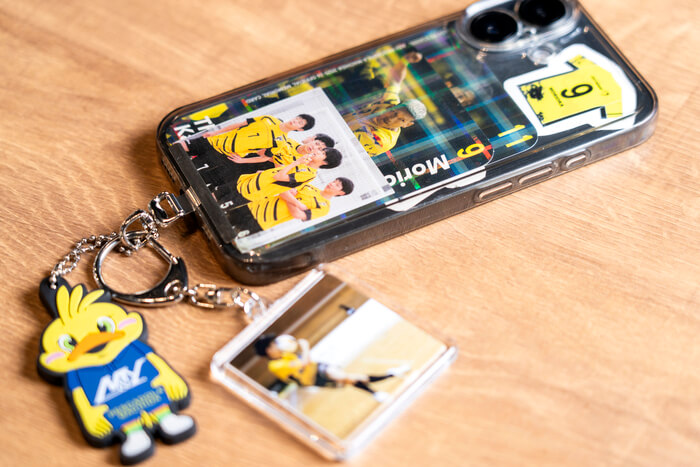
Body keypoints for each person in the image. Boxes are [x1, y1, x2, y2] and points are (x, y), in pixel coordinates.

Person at [254, 333, 410, 402]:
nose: (277, 345)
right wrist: (305, 346)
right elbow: (304, 362)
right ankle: (389, 376)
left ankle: (378, 390)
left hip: (318, 368)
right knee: (351, 380)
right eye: (273, 344)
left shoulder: (284, 354)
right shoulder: (275, 366)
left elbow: (305, 361)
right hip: (312, 379)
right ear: (268, 350)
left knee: (345, 377)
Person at [342, 51, 427, 157]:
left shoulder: (382, 141)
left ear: (407, 125)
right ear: (392, 106)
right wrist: (405, 61)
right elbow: (396, 81)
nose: (391, 119)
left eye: (401, 120)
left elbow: (341, 140)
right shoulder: (389, 102)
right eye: (394, 112)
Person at [235, 177, 354, 234]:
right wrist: (297, 203)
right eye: (334, 181)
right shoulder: (308, 186)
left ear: (341, 193)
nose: (332, 184)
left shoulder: (324, 208)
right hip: (252, 206)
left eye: (337, 185)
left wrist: (290, 199)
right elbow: (283, 191)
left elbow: (297, 214)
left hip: (261, 221)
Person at [180, 114, 316, 159]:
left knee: (188, 163)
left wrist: (242, 160)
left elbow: (264, 156)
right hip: (215, 140)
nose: (295, 121)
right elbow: (240, 124)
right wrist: (216, 132)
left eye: (300, 123)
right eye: (297, 118)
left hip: (224, 154)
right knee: (180, 147)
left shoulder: (281, 142)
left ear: (300, 129)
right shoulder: (269, 118)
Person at [234, 147, 343, 204]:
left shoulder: (309, 173)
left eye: (323, 153)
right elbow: (279, 172)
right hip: (246, 180)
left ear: (325, 162)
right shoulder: (303, 162)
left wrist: (296, 162)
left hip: (249, 192)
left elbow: (278, 177)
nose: (318, 152)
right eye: (321, 150)